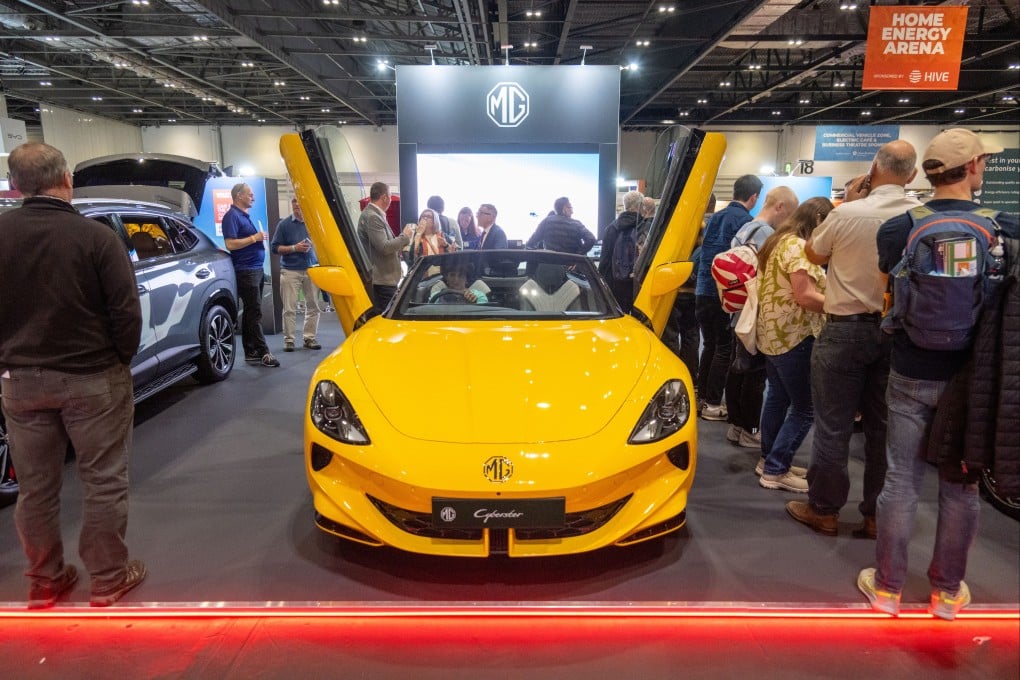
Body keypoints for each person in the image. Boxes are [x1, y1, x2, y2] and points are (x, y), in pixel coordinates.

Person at [859, 129, 1018, 621]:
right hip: (975, 376)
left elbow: (892, 280)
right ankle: (947, 593)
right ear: (972, 168)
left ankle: (887, 588)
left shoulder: (899, 227)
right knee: (960, 483)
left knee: (900, 479)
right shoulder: (1008, 227)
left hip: (909, 366)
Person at [0, 142, 146, 608]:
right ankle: (107, 578)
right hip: (92, 378)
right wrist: (119, 360)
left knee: (35, 486)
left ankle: (44, 580)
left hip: (19, 382)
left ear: (16, 185)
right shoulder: (96, 238)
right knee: (103, 479)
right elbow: (127, 313)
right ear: (66, 179)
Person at [786, 141, 920, 539]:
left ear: (874, 169)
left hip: (843, 329)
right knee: (883, 428)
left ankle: (825, 510)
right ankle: (876, 515)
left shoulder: (848, 214)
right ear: (912, 176)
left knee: (832, 425)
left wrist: (849, 200)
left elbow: (813, 253)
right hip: (896, 331)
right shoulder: (918, 216)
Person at [755, 197, 834, 493]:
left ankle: (769, 460)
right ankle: (776, 469)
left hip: (772, 334)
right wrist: (839, 305)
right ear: (817, 219)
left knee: (777, 397)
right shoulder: (798, 248)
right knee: (805, 408)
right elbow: (805, 296)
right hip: (795, 336)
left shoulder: (777, 241)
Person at [725, 186, 799, 449]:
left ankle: (736, 425)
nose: (788, 222)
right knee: (755, 374)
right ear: (779, 206)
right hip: (755, 312)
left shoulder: (744, 229)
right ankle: (750, 429)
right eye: (788, 214)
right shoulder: (767, 235)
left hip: (739, 311)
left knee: (739, 369)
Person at [695, 175, 762, 421]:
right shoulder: (747, 222)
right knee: (724, 348)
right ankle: (713, 404)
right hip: (725, 295)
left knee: (710, 346)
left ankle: (702, 399)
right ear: (753, 197)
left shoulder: (713, 219)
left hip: (702, 290)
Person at [221, 182, 278, 367]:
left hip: (256, 269)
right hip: (246, 271)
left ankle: (251, 350)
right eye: (250, 194)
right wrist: (255, 238)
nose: (253, 198)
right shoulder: (231, 216)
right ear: (239, 196)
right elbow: (230, 244)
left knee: (250, 312)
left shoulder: (243, 216)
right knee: (255, 312)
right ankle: (264, 352)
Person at [270, 198, 321, 353]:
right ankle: (289, 340)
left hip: (311, 269)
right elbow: (275, 248)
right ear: (292, 206)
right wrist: (294, 248)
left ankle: (309, 338)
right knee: (289, 308)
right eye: (295, 206)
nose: (297, 208)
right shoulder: (284, 225)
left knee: (313, 306)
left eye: (300, 206)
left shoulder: (314, 223)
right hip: (290, 270)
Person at [358, 181, 414, 311]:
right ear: (384, 197)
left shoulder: (373, 215)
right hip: (381, 280)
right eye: (389, 196)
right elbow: (384, 247)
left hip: (383, 279)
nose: (390, 200)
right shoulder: (373, 217)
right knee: (385, 317)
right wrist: (404, 237)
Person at [598, 190, 644, 312]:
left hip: (615, 282)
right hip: (637, 284)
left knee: (618, 318)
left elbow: (605, 260)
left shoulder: (611, 228)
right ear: (639, 206)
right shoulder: (644, 227)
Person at [526, 196, 597, 255]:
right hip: (571, 266)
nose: (572, 212)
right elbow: (591, 239)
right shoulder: (576, 224)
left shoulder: (546, 221)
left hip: (550, 266)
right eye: (570, 208)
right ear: (565, 208)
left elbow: (530, 244)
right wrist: (578, 256)